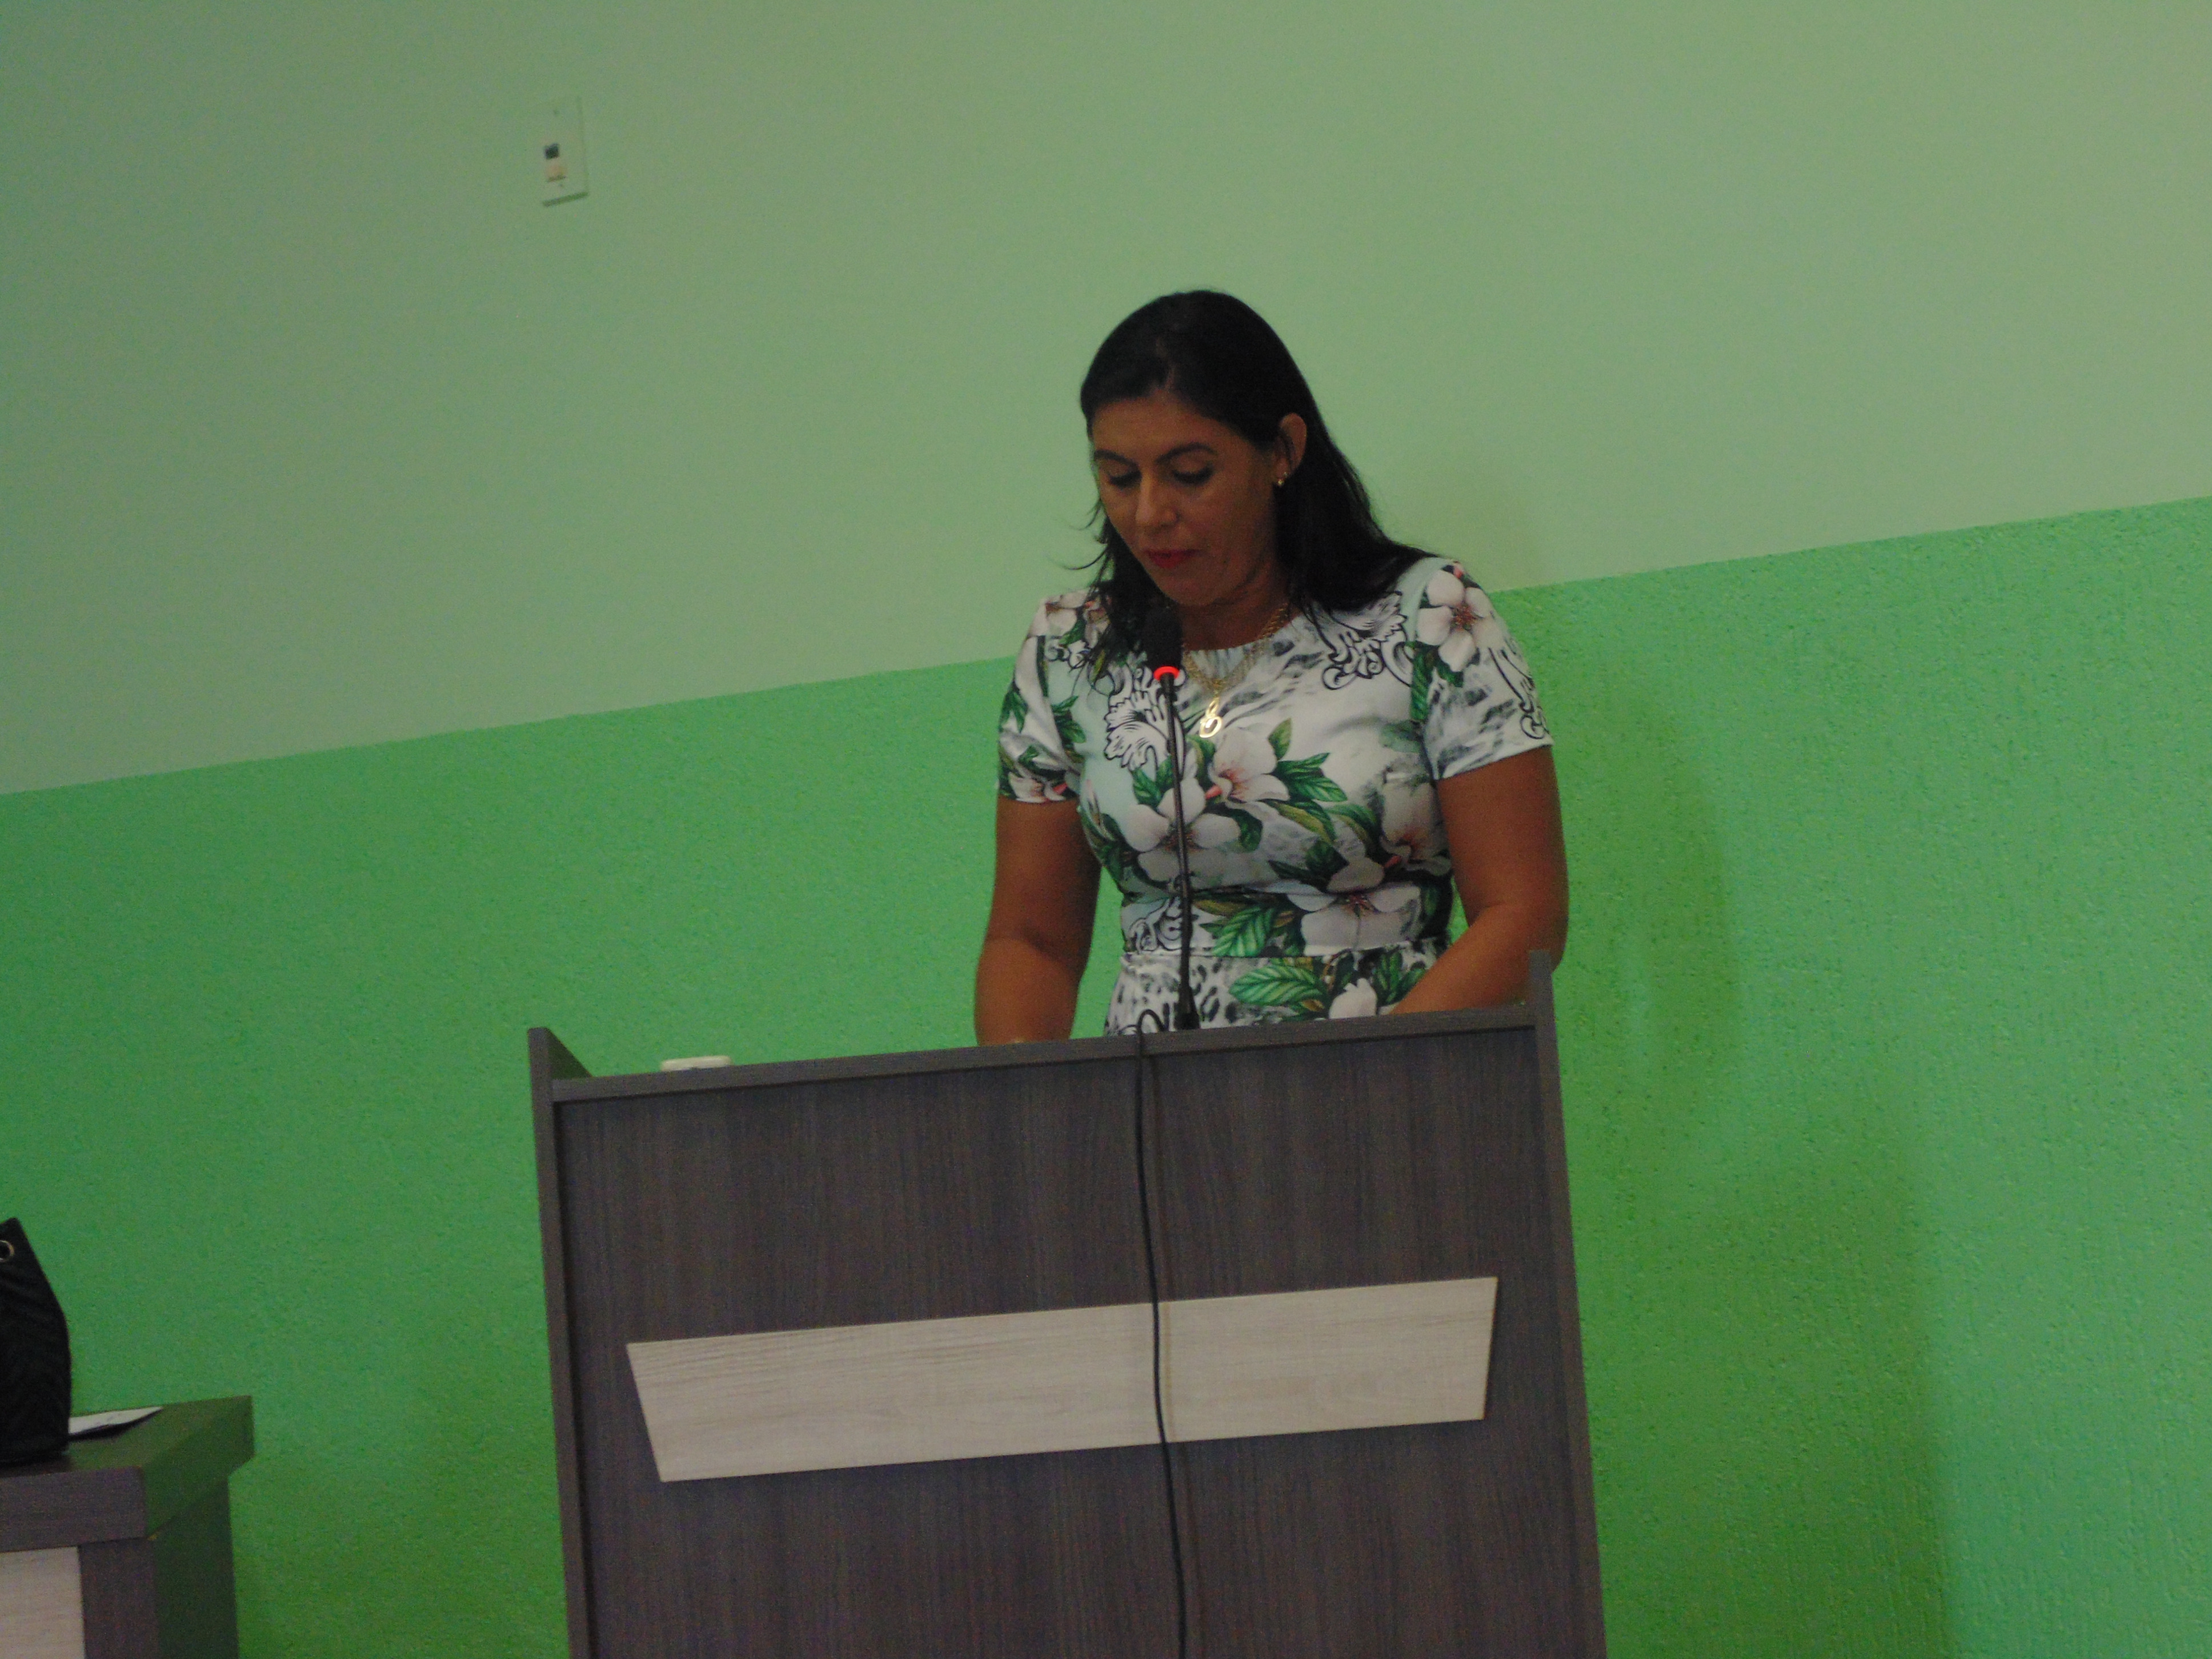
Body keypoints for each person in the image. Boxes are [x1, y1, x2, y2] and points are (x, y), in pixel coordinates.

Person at [976, 291, 1567, 1040]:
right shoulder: (1070, 648)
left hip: (1399, 1086)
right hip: (1146, 1100)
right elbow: (1031, 942)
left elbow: (1524, 913)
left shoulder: (1429, 618)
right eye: (1120, 478)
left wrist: (1375, 1074)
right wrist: (1030, 1103)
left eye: (1190, 473)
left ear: (1283, 451)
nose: (1150, 513)